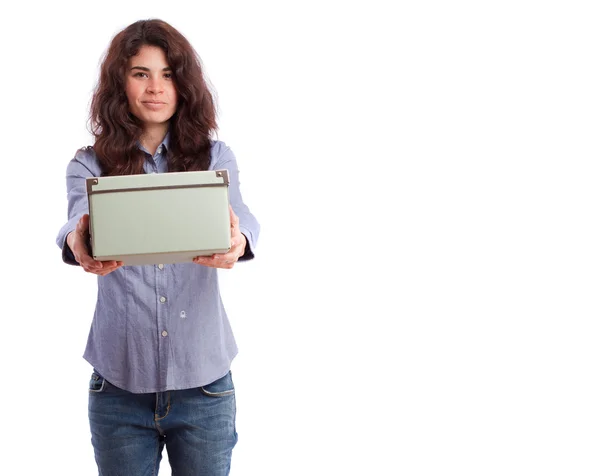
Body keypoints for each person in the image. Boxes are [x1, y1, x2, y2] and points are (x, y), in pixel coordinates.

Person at [55, 19, 259, 476]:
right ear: (119, 83)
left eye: (168, 74)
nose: (155, 87)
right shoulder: (88, 164)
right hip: (119, 389)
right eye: (140, 73)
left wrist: (237, 240)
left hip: (204, 387)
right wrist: (78, 240)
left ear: (184, 84)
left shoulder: (214, 158)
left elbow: (242, 216)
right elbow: (73, 223)